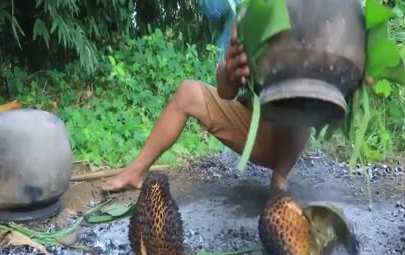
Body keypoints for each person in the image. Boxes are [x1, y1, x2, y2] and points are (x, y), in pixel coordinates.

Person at [102, 19, 312, 194]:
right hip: (253, 129)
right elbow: (226, 92)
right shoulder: (252, 17)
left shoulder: (311, 18)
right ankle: (135, 173)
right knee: (188, 91)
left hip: (288, 139)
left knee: (305, 95)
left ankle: (279, 178)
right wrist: (230, 70)